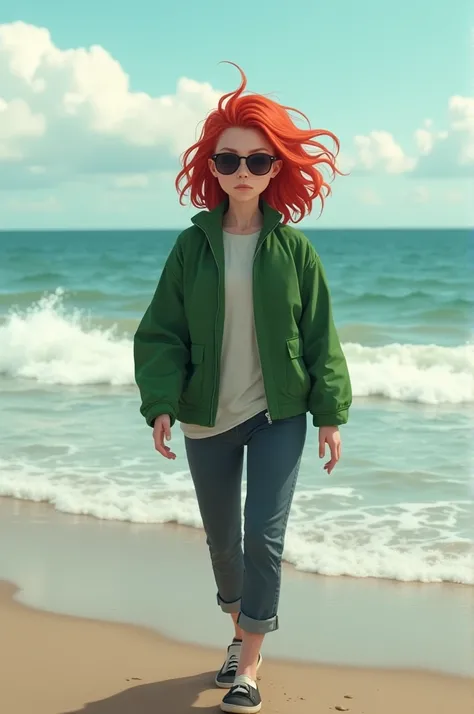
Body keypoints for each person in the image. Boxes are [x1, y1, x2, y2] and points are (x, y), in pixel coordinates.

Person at [133, 63, 352, 714]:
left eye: (258, 160)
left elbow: (321, 339)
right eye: (229, 158)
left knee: (265, 536)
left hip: (278, 413)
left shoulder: (295, 253)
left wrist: (330, 415)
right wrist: (162, 403)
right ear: (213, 167)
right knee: (223, 543)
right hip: (207, 417)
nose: (243, 171)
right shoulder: (190, 248)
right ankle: (240, 631)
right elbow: (160, 332)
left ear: (276, 166)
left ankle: (250, 666)